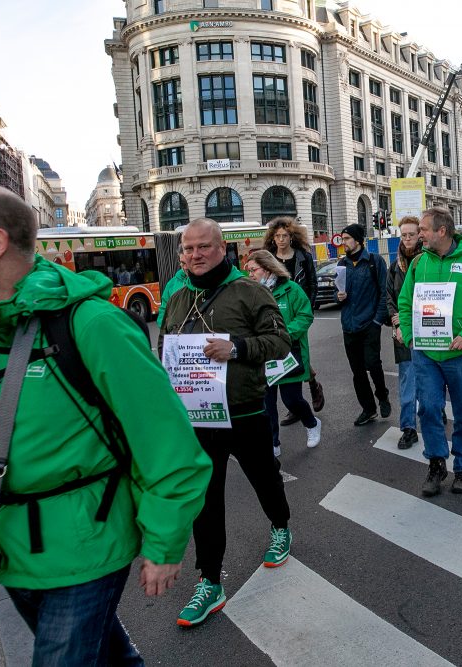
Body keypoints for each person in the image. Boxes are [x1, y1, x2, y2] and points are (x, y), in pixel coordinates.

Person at [0, 185, 212, 663]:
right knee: (109, 658)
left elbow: (167, 445)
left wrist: (164, 542)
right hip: (1, 543)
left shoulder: (93, 324)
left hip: (85, 543)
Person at [160, 218, 293, 627]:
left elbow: (281, 341)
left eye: (203, 247)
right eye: (187, 249)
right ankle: (210, 580)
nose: (194, 255)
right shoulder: (178, 297)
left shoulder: (249, 291)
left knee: (264, 478)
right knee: (205, 497)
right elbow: (166, 347)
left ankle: (281, 526)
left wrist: (236, 348)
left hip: (245, 410)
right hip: (198, 418)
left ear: (222, 249)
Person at [397, 207, 462, 496]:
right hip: (427, 354)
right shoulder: (418, 263)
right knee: (428, 408)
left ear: (441, 231)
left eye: (424, 229)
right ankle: (436, 462)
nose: (420, 234)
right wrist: (408, 334)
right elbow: (405, 302)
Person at [246, 250, 321, 455]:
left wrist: (283, 335)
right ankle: (273, 443)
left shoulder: (292, 289)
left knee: (292, 400)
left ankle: (312, 423)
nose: (250, 274)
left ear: (268, 268)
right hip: (264, 356)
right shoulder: (251, 293)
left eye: (253, 270)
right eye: (248, 271)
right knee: (267, 404)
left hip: (289, 354)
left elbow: (305, 316)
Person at [264, 217, 325, 413]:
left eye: (285, 236)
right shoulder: (269, 257)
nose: (281, 239)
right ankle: (296, 400)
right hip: (275, 312)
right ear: (273, 238)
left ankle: (309, 386)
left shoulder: (302, 256)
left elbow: (312, 283)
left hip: (298, 311)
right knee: (283, 353)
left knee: (298, 352)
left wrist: (309, 307)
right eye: (278, 236)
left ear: (291, 237)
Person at [336, 223, 392, 426]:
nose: (344, 243)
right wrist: (338, 296)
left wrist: (377, 320)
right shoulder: (341, 265)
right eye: (342, 240)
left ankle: (382, 395)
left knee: (373, 364)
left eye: (347, 239)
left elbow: (384, 293)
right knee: (357, 371)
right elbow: (338, 293)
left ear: (358, 241)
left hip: (369, 323)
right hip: (348, 325)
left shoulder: (374, 262)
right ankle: (368, 409)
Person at [386, 216, 423, 449]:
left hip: (428, 329)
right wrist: (397, 323)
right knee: (407, 381)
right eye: (404, 235)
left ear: (420, 235)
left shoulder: (428, 260)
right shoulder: (394, 266)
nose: (407, 239)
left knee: (431, 380)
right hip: (403, 333)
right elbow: (389, 298)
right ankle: (408, 428)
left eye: (411, 234)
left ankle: (435, 410)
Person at [157, 252, 188, 328]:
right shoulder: (171, 284)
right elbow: (163, 310)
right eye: (182, 263)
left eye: (188, 262)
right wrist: (165, 329)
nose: (185, 267)